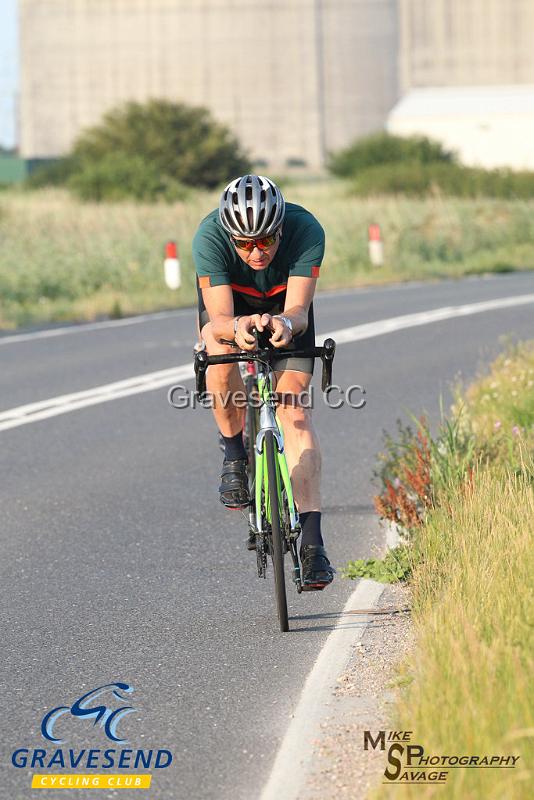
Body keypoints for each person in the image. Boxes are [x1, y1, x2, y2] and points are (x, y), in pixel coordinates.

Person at [192, 174, 334, 590]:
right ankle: (235, 455)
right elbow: (217, 319)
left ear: (281, 229)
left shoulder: (306, 228)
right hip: (231, 309)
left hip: (283, 309)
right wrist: (236, 328)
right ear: (229, 235)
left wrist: (285, 323)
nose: (256, 251)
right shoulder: (209, 236)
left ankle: (312, 544)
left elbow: (300, 312)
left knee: (294, 410)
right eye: (244, 243)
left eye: (267, 240)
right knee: (217, 354)